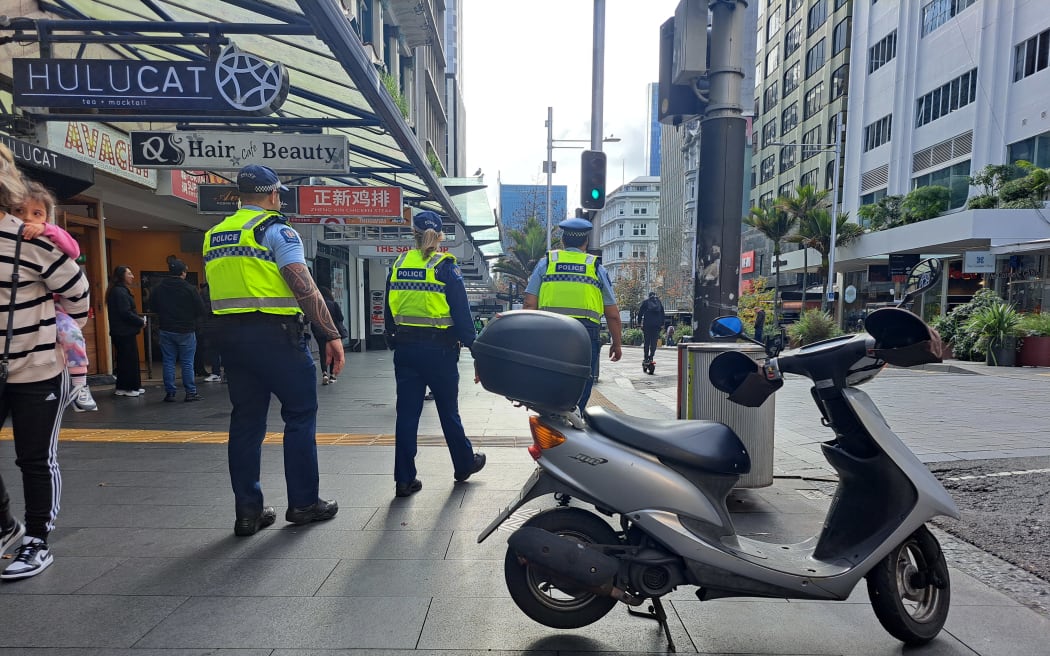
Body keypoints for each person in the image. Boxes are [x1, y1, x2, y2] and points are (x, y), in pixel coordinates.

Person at [203, 164, 344, 537]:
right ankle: (303, 503)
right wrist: (329, 333)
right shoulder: (276, 230)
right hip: (278, 338)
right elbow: (303, 286)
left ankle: (248, 513)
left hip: (232, 341)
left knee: (246, 423)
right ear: (272, 195)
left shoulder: (214, 235)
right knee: (299, 415)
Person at [0, 150, 91, 580]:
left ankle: (37, 539)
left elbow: (79, 296)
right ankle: (5, 526)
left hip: (37, 370)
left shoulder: (32, 240)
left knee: (35, 458)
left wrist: (52, 329)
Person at [384, 210, 485, 498]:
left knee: (407, 415)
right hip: (440, 351)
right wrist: (474, 348)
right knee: (448, 412)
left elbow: (390, 310)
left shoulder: (399, 263)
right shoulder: (446, 267)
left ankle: (404, 480)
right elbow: (462, 315)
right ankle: (464, 464)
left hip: (406, 350)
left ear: (413, 234)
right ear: (440, 237)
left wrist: (393, 339)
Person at [14, 180, 97, 412]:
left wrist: (48, 230)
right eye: (19, 211)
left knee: (71, 333)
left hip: (53, 309)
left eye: (36, 213)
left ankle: (80, 384)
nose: (27, 218)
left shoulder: (51, 237)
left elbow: (74, 251)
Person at [524, 217, 623, 412]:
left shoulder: (547, 263)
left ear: (563, 241)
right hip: (585, 336)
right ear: (585, 242)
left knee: (548, 380)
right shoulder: (596, 267)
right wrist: (617, 344)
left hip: (548, 331)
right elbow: (612, 314)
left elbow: (529, 303)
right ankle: (574, 418)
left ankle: (550, 423)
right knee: (581, 384)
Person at [150, 258, 205, 402]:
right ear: (183, 273)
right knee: (187, 362)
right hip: (186, 329)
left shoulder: (159, 288)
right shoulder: (190, 289)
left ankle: (170, 393)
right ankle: (190, 392)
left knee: (168, 361)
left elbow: (152, 306)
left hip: (166, 328)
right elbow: (200, 309)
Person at [105, 265, 147, 397]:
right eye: (129, 273)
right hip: (124, 331)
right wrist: (140, 321)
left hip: (121, 331)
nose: (132, 276)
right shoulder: (119, 292)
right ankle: (129, 387)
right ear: (121, 276)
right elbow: (125, 312)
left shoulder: (117, 291)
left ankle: (125, 386)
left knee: (125, 359)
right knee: (128, 359)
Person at [311, 286, 347, 385]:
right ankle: (332, 376)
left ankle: (324, 373)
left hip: (320, 333)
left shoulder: (315, 305)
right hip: (333, 333)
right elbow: (340, 317)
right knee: (333, 353)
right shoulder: (333, 304)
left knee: (323, 353)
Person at [198, 282, 224, 382]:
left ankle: (216, 373)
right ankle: (225, 373)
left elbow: (202, 309)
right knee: (223, 349)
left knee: (214, 349)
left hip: (211, 324)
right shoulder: (223, 289)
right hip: (221, 323)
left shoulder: (204, 292)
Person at [637, 291, 665, 366]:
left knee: (647, 342)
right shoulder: (659, 302)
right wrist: (662, 324)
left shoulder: (645, 302)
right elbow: (662, 314)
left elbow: (640, 313)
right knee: (654, 342)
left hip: (647, 325)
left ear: (649, 296)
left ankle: (646, 358)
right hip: (657, 326)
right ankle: (651, 357)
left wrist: (639, 323)